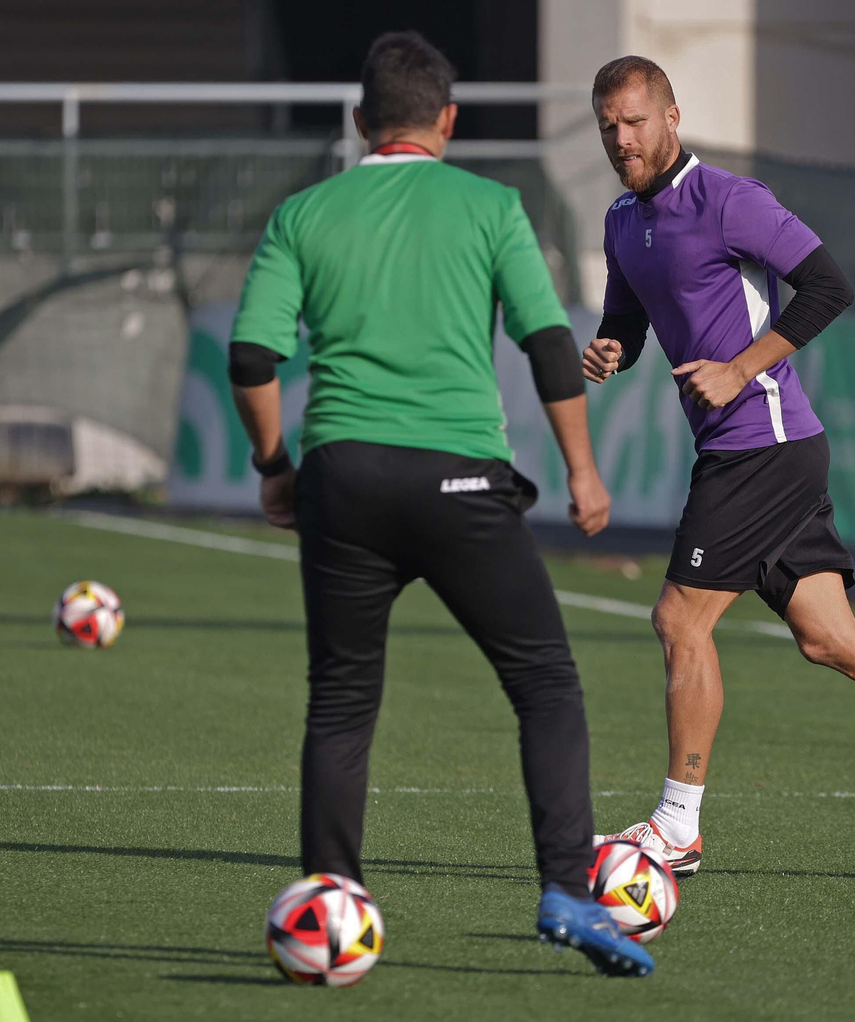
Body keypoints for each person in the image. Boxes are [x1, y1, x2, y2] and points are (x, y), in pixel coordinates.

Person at [228, 32, 653, 975]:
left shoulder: (305, 212)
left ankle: (332, 899)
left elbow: (253, 357)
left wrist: (274, 465)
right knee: (544, 682)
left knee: (341, 701)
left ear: (357, 124)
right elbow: (549, 347)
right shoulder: (491, 206)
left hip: (342, 474)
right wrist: (582, 470)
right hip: (461, 478)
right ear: (448, 122)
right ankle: (566, 894)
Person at [581, 56, 855, 878]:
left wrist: (740, 367)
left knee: (679, 621)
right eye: (608, 125)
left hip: (764, 442)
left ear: (672, 117)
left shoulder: (731, 200)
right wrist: (615, 345)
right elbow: (631, 310)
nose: (622, 138)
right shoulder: (621, 219)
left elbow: (829, 287)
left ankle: (677, 828)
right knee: (830, 639)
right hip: (746, 448)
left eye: (636, 120)